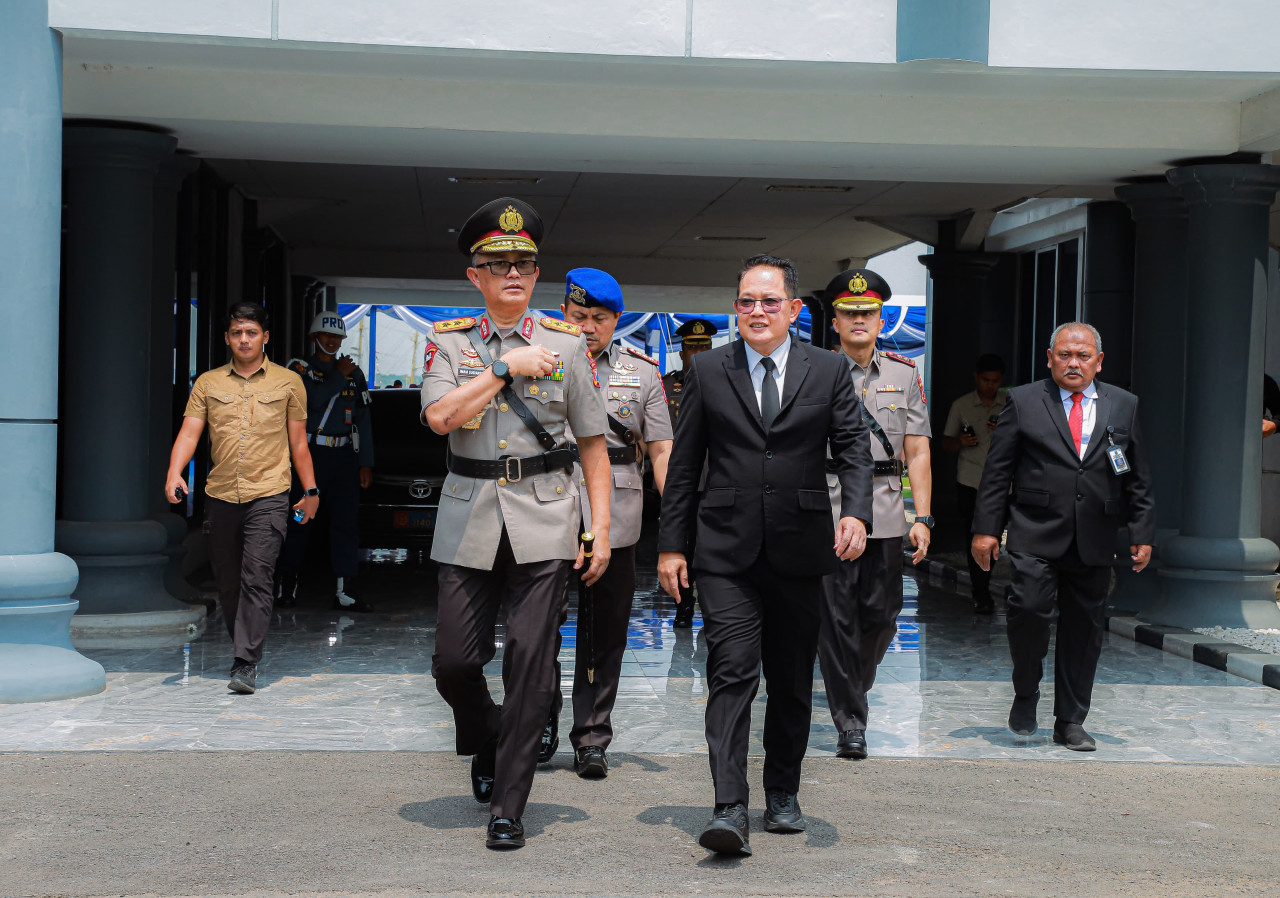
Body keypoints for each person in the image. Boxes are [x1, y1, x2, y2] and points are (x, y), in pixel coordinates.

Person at [658, 254, 873, 856]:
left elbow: (854, 448)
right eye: (747, 301)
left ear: (794, 310)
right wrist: (672, 545)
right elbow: (684, 468)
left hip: (802, 548)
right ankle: (730, 805)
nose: (757, 311)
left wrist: (855, 511)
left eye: (769, 301)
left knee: (790, 679)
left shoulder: (827, 370)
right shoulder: (708, 371)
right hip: (724, 550)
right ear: (735, 309)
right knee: (731, 672)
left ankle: (782, 793)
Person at [421, 197, 612, 851]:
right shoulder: (448, 342)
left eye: (524, 264)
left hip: (546, 516)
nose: (512, 273)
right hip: (468, 515)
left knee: (532, 663)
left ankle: (509, 804)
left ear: (536, 275)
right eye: (497, 263)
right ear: (474, 275)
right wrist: (504, 368)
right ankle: (489, 733)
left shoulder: (565, 343)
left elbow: (592, 443)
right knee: (453, 662)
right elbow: (440, 418)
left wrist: (602, 527)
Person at [971, 322, 1155, 752]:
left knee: (1084, 631)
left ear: (1099, 361)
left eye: (1084, 356)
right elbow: (998, 471)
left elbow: (1137, 474)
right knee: (1029, 611)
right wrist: (985, 530)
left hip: (1095, 535)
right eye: (1066, 355)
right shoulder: (1023, 400)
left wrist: (1142, 530)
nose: (1075, 363)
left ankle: (1070, 720)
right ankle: (1026, 691)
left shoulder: (1123, 405)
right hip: (1035, 530)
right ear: (1050, 357)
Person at [550, 267, 674, 779]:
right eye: (578, 316)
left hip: (617, 518)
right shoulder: (541, 362)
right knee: (538, 629)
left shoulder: (643, 372)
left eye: (599, 318)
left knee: (606, 635)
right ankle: (536, 725)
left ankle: (592, 736)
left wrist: (683, 521)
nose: (587, 327)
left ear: (617, 320)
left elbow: (662, 451)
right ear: (564, 315)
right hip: (550, 506)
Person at [163, 303, 319, 695]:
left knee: (257, 577)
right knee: (229, 581)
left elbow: (298, 443)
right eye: (237, 333)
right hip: (220, 495)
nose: (244, 340)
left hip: (269, 493)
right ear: (229, 337)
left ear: (265, 337)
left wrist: (310, 491)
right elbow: (189, 433)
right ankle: (241, 646)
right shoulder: (208, 383)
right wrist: (174, 471)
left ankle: (245, 662)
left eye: (251, 332)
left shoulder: (288, 383)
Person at [818, 268, 933, 762]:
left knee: (882, 615)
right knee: (835, 617)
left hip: (886, 510)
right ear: (835, 323)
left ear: (881, 319)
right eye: (849, 313)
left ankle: (852, 689)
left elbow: (919, 450)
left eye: (867, 313)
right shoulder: (815, 371)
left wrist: (922, 516)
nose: (859, 320)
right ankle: (850, 720)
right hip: (830, 506)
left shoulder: (904, 375)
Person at [275, 312, 376, 612]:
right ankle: (286, 587)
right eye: (326, 335)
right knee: (298, 520)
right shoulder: (298, 368)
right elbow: (311, 400)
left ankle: (344, 591)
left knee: (346, 523)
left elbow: (364, 419)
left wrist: (365, 462)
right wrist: (338, 375)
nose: (332, 341)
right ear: (313, 337)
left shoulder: (354, 374)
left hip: (344, 455)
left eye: (337, 337)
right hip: (308, 455)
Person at [662, 318, 717, 629]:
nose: (697, 353)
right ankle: (683, 608)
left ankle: (712, 608)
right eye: (692, 347)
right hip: (685, 483)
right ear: (682, 352)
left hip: (718, 482)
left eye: (704, 347)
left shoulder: (723, 382)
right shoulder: (668, 387)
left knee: (711, 549)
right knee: (680, 546)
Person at [943, 353, 1007, 613]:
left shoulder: (1009, 404)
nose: (990, 385)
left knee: (996, 539)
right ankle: (981, 594)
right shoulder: (962, 405)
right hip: (970, 481)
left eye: (995, 381)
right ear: (976, 378)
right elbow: (946, 443)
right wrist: (961, 442)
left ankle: (987, 587)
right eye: (985, 380)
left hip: (1004, 484)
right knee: (974, 537)